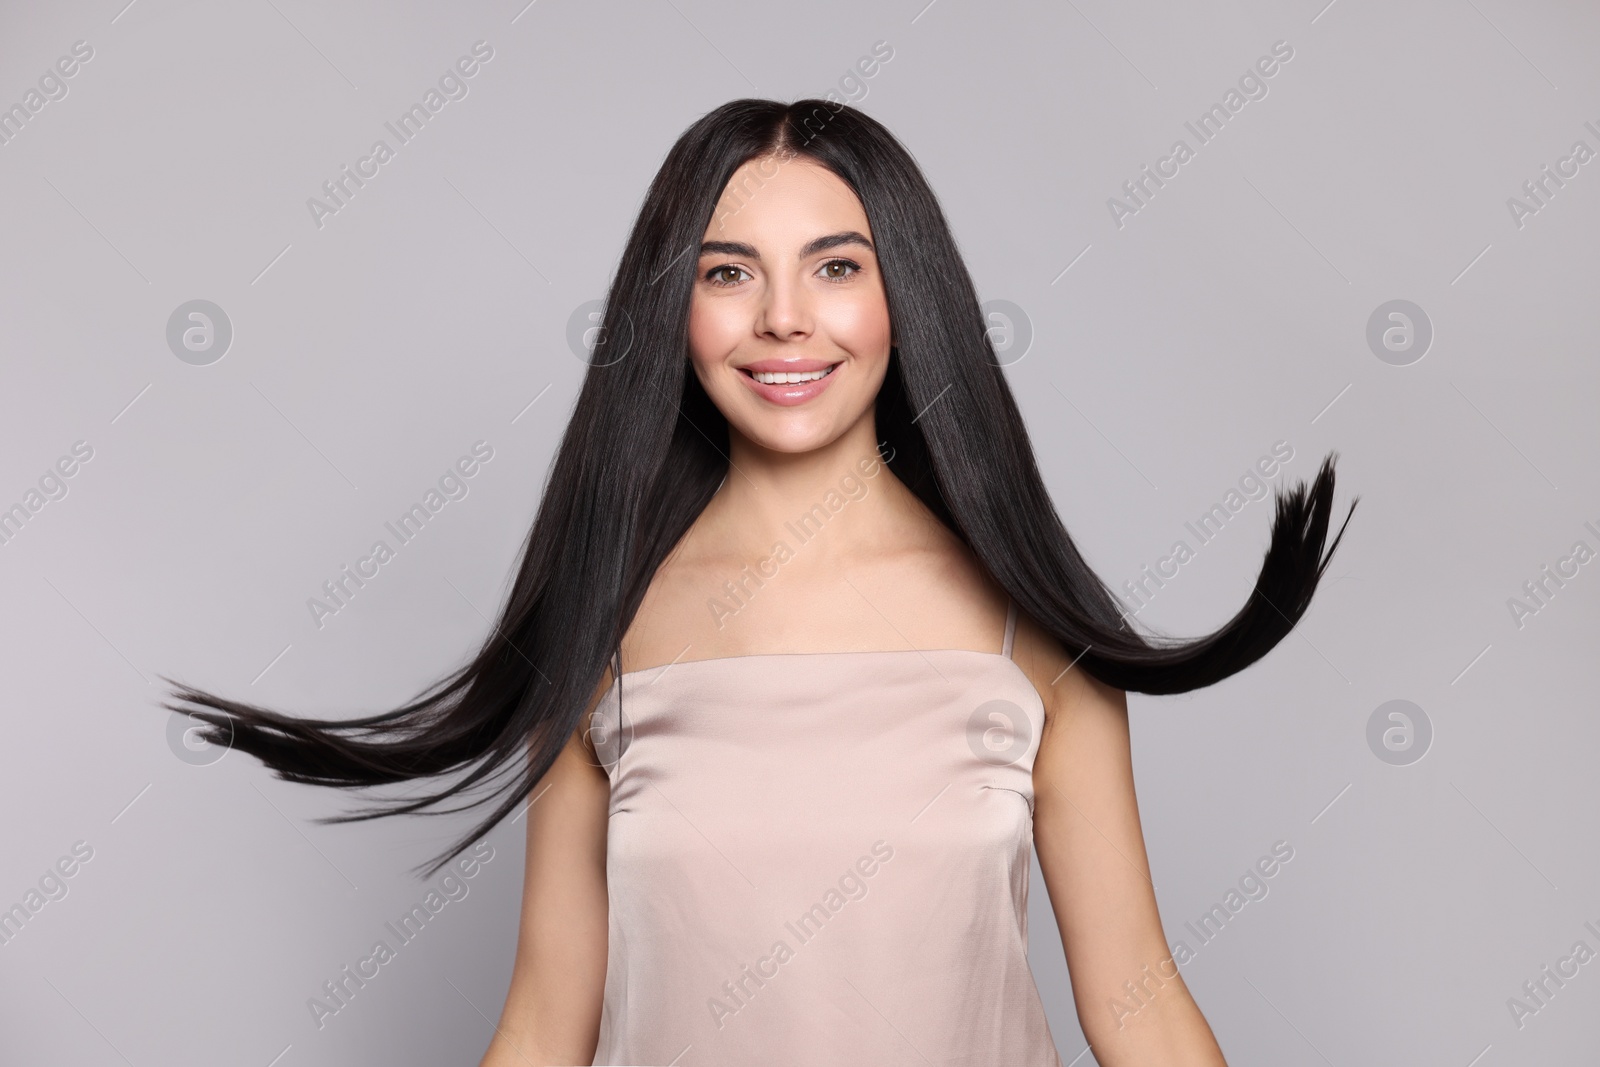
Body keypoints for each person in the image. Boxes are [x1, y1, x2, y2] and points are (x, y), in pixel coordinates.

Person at [163, 98, 1354, 1066]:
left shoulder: (1028, 632)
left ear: (907, 298)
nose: (785, 319)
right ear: (671, 309)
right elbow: (541, 1024)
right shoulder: (603, 627)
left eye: (835, 265)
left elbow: (1135, 1004)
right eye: (728, 273)